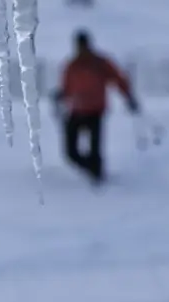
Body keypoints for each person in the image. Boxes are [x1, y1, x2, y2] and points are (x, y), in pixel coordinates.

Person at [51, 30, 139, 185]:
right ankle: (92, 170)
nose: (81, 49)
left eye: (83, 45)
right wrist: (60, 96)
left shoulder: (100, 63)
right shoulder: (72, 65)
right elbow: (67, 87)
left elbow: (118, 79)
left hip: (95, 111)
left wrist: (129, 97)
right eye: (79, 46)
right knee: (70, 153)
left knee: (95, 150)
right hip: (76, 111)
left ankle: (98, 179)